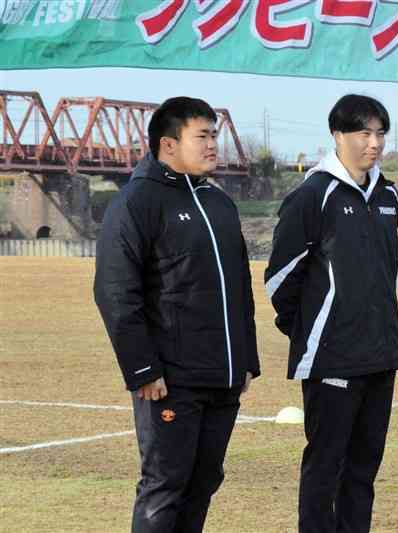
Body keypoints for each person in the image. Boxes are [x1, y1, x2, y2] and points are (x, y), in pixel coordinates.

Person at [94, 97, 260, 533]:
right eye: (202, 136)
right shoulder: (137, 202)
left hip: (222, 377)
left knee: (204, 480)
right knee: (165, 485)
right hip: (170, 379)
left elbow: (239, 290)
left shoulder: (220, 205)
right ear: (168, 144)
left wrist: (246, 360)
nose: (212, 145)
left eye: (214, 135)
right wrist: (143, 368)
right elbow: (115, 292)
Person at [265, 94, 398, 533]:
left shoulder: (388, 194)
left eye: (380, 133)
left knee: (363, 471)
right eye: (363, 132)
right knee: (326, 466)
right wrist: (312, 331)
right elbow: (281, 279)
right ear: (337, 134)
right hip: (332, 358)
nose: (374, 143)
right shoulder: (313, 195)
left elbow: (385, 272)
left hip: (380, 355)